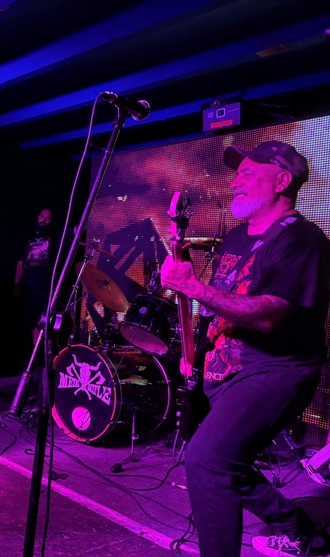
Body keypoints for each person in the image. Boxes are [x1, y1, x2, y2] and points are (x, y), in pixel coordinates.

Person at [160, 140, 330, 557]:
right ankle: (300, 530)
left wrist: (192, 286)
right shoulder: (236, 237)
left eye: (247, 173)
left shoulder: (302, 238)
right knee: (223, 463)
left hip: (275, 371)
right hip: (226, 370)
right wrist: (196, 352)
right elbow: (221, 303)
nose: (235, 182)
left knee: (207, 459)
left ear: (282, 181)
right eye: (236, 174)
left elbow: (269, 313)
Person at [14, 208, 60, 353]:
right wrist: (16, 284)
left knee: (47, 322)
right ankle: (35, 354)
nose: (44, 220)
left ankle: (47, 354)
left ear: (51, 221)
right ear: (37, 217)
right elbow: (20, 263)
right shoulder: (27, 238)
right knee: (32, 322)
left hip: (47, 288)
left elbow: (72, 232)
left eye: (48, 218)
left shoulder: (54, 237)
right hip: (30, 288)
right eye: (42, 216)